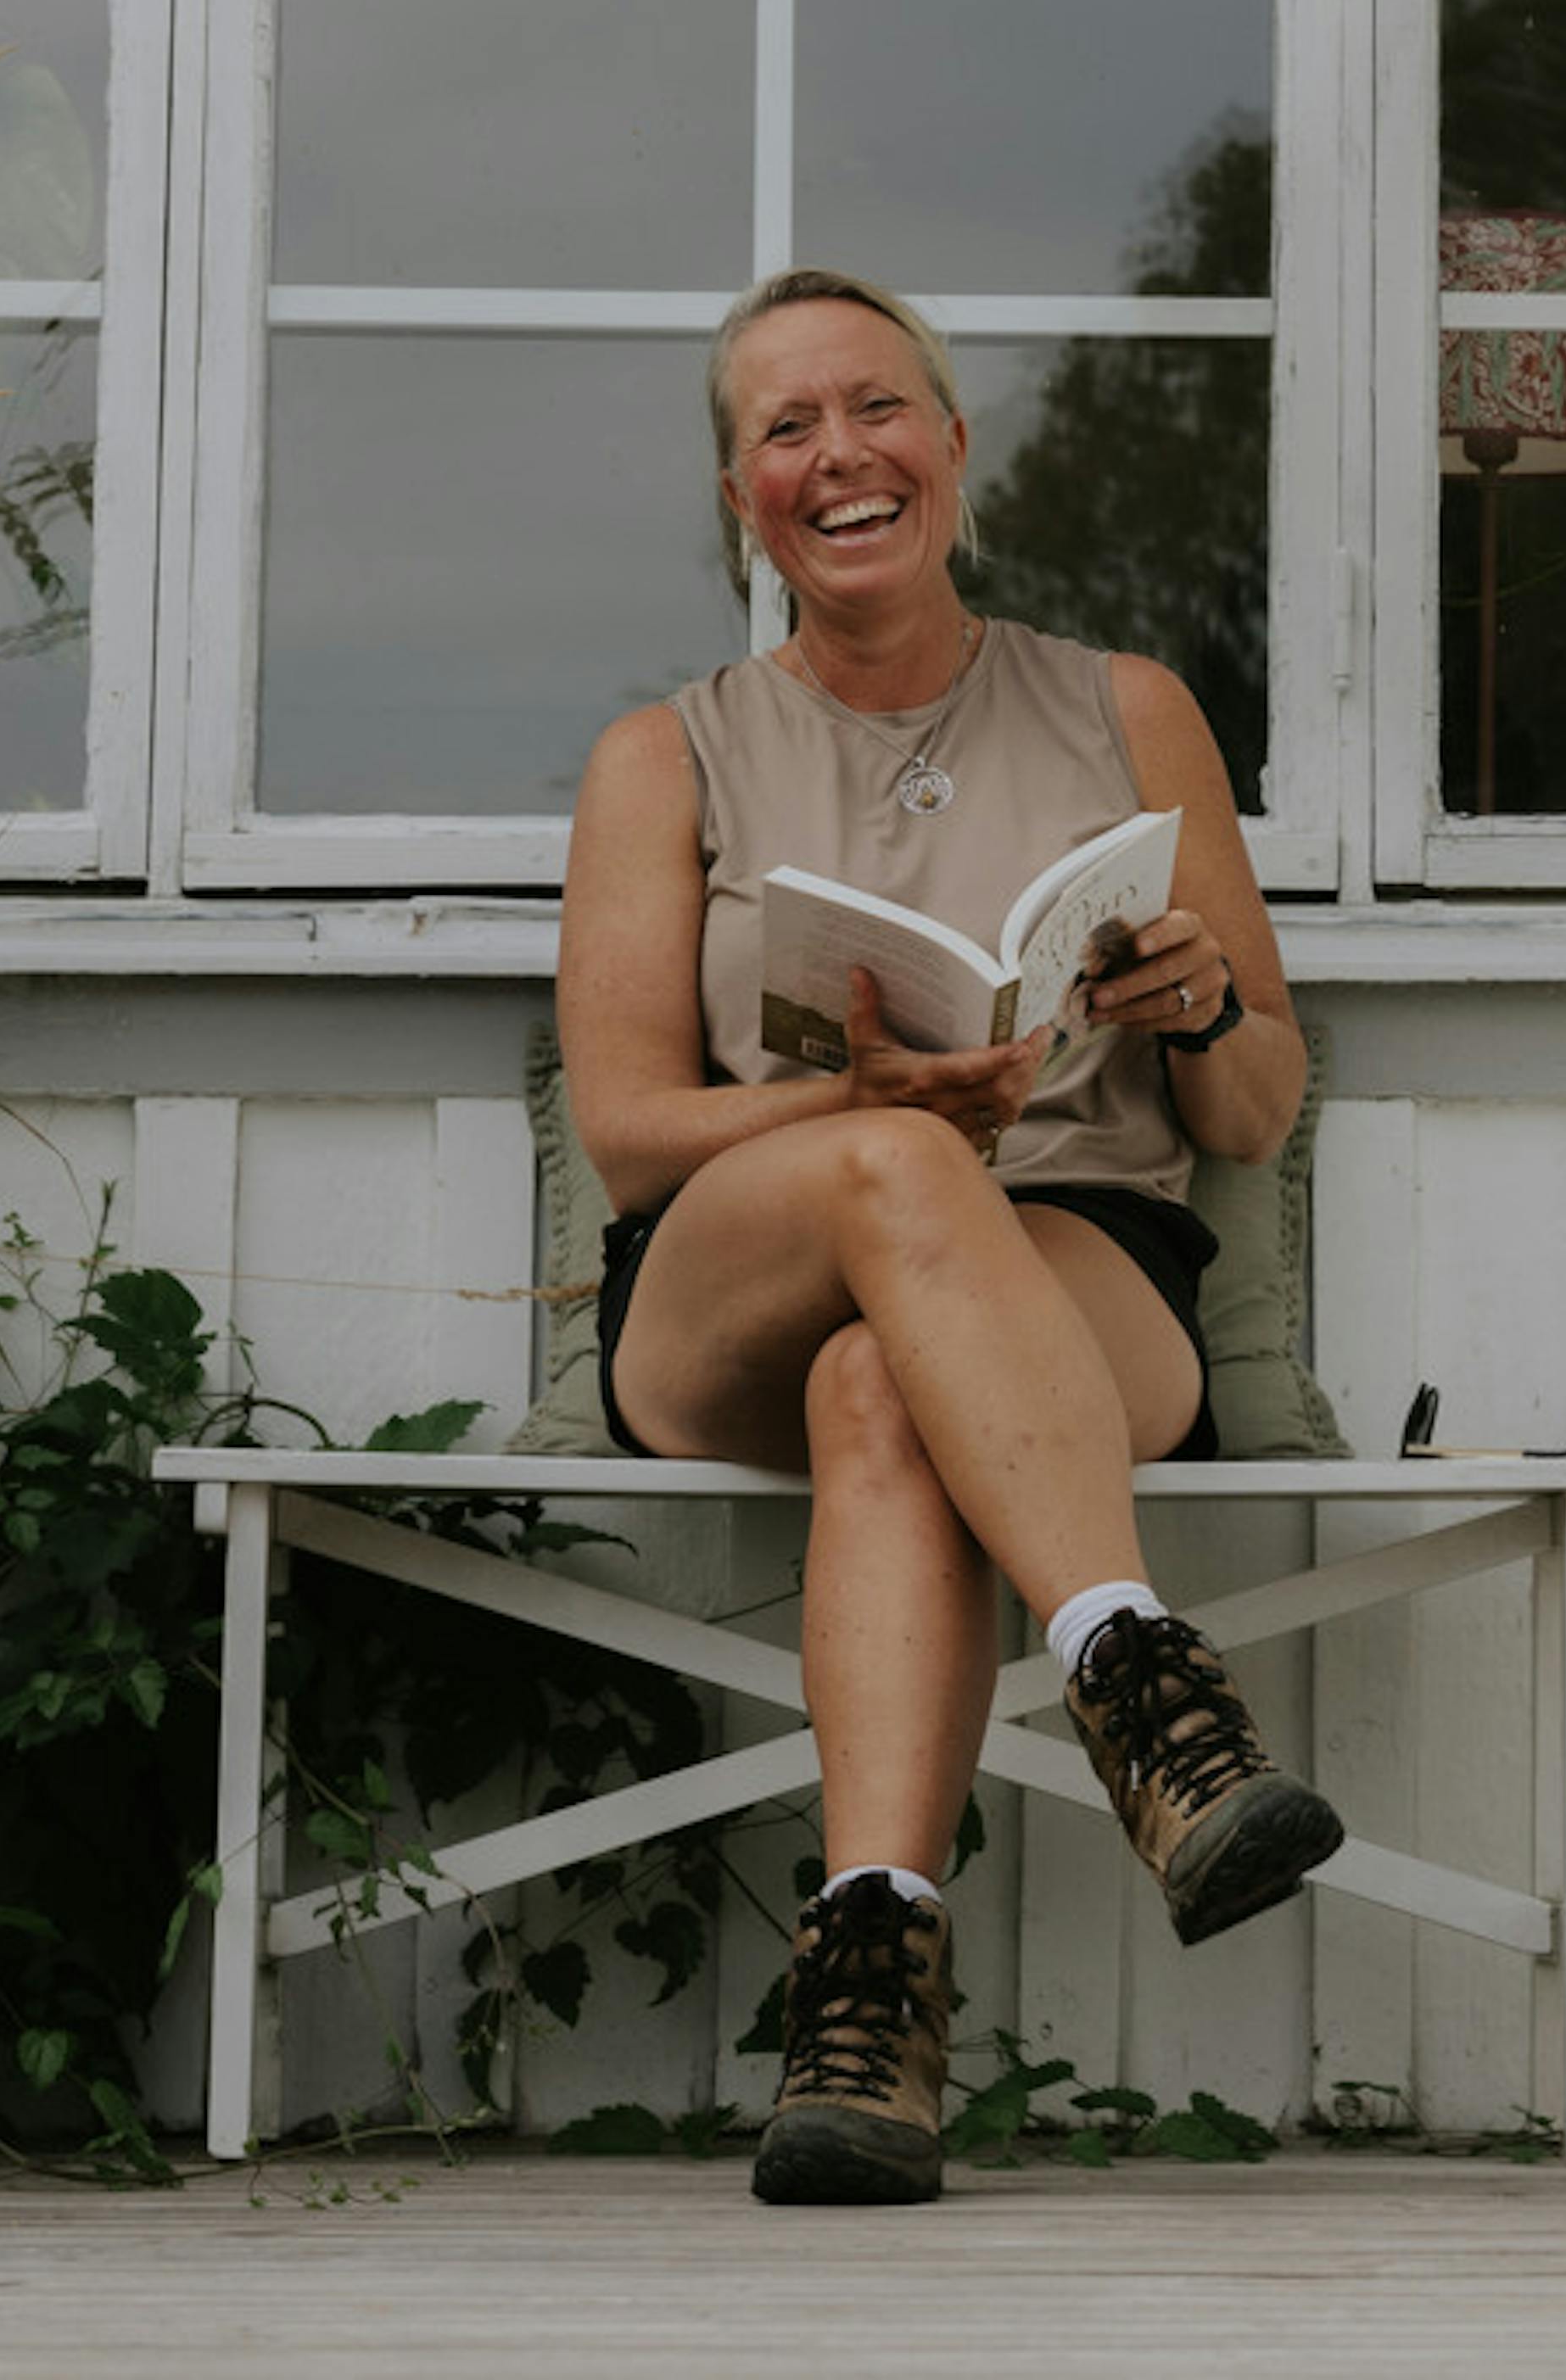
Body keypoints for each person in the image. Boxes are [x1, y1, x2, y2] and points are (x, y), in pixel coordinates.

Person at [558, 265, 1339, 2207]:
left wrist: (1199, 1005)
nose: (841, 453)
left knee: (883, 1386)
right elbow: (630, 1134)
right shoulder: (666, 753)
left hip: (1072, 1256)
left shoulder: (1125, 707)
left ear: (954, 443)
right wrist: (858, 1102)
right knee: (897, 1178)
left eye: (877, 405)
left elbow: (1254, 1110)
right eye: (786, 426)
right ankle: (1141, 1682)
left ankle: (866, 2014)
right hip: (743, 1262)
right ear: (740, 494)